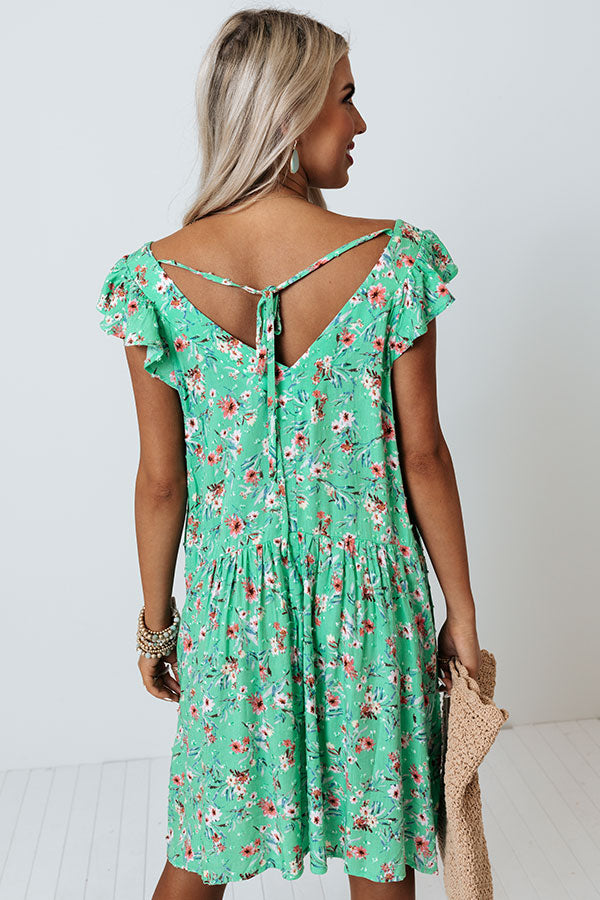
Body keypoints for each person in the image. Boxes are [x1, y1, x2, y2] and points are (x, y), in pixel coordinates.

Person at [96, 8, 481, 900]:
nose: (360, 121)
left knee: (200, 852)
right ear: (291, 109)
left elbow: (162, 484)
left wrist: (157, 626)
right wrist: (461, 614)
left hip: (233, 616)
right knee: (381, 851)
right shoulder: (395, 261)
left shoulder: (152, 281)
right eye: (346, 98)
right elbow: (424, 456)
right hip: (372, 607)